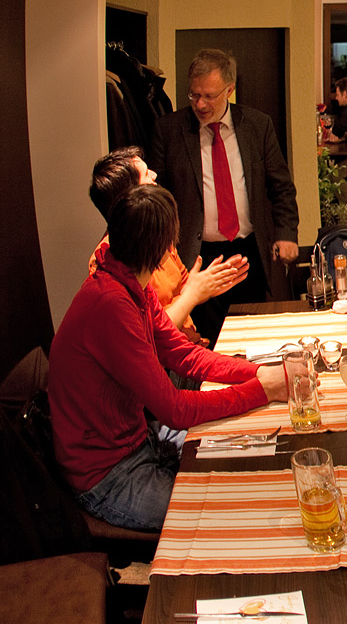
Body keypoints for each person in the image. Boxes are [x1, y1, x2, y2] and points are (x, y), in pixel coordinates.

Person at [50, 185, 293, 530]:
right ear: (164, 248)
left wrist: (258, 373)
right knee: (227, 510)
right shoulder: (111, 303)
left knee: (252, 454)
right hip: (108, 474)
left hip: (140, 440)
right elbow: (174, 409)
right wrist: (262, 390)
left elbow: (183, 353)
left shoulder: (130, 280)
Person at [147, 48, 299, 344]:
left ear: (229, 89)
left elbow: (281, 186)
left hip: (250, 251)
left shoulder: (257, 125)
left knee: (256, 337)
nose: (200, 104)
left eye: (209, 96)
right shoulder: (169, 130)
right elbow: (156, 196)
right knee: (207, 342)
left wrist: (286, 233)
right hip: (197, 256)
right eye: (194, 95)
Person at [87, 147, 248, 346]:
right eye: (146, 174)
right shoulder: (109, 261)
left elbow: (182, 288)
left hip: (189, 346)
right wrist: (193, 293)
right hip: (165, 357)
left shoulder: (155, 235)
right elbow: (147, 334)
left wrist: (205, 283)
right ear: (132, 198)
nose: (155, 175)